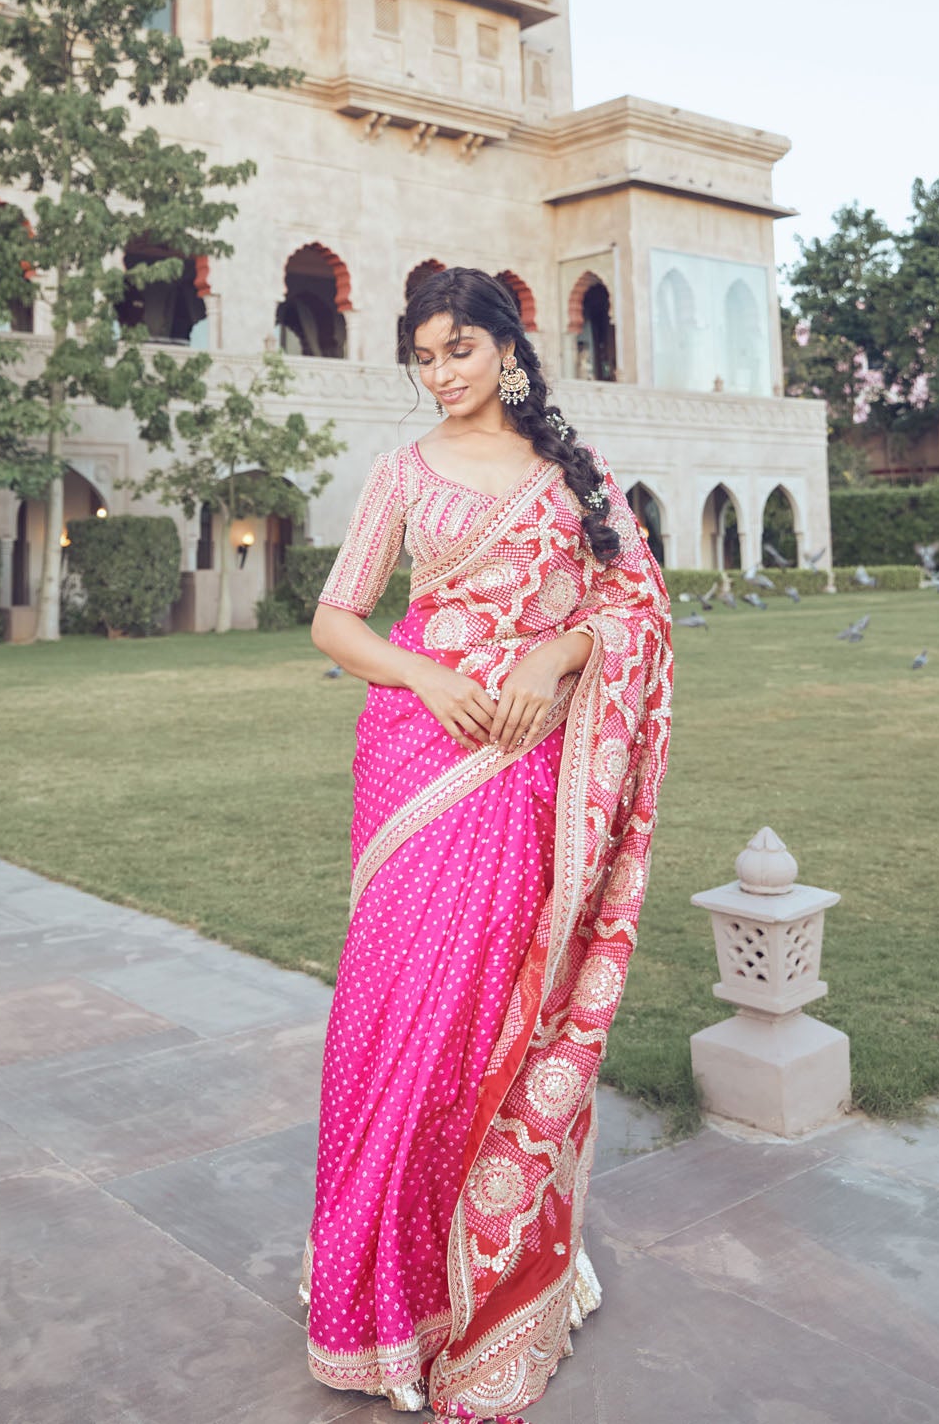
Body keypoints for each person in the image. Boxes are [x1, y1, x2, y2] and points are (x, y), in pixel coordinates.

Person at [301, 266, 673, 1422]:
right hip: (418, 753)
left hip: (526, 764)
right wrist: (423, 672)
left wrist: (551, 657)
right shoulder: (402, 474)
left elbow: (635, 608)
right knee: (399, 1001)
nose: (440, 373)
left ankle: (495, 1265)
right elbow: (334, 617)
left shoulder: (573, 476)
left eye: (458, 349)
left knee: (495, 1004)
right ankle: (377, 1294)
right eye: (422, 356)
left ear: (506, 350)